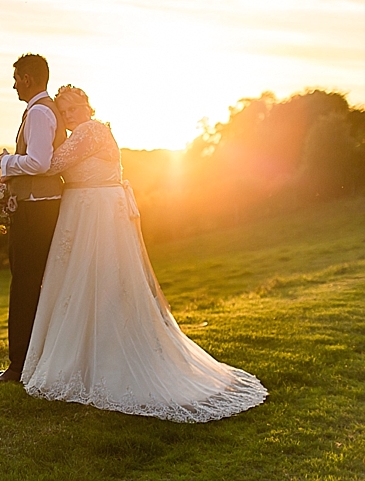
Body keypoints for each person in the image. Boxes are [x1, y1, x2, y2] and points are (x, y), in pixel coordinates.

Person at [15, 85, 267, 421]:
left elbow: (50, 165)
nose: (68, 115)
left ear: (86, 107)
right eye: (63, 111)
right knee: (86, 284)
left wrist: (10, 160)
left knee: (98, 281)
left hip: (95, 215)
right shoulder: (89, 131)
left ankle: (102, 362)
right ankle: (87, 356)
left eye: (72, 108)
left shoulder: (92, 130)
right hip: (86, 211)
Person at [0, 54, 67, 383]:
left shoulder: (38, 112)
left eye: (17, 77)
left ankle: (18, 366)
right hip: (42, 206)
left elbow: (39, 163)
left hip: (35, 209)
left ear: (29, 79)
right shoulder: (47, 110)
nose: (14, 84)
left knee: (24, 285)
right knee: (34, 284)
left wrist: (6, 163)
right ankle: (30, 360)